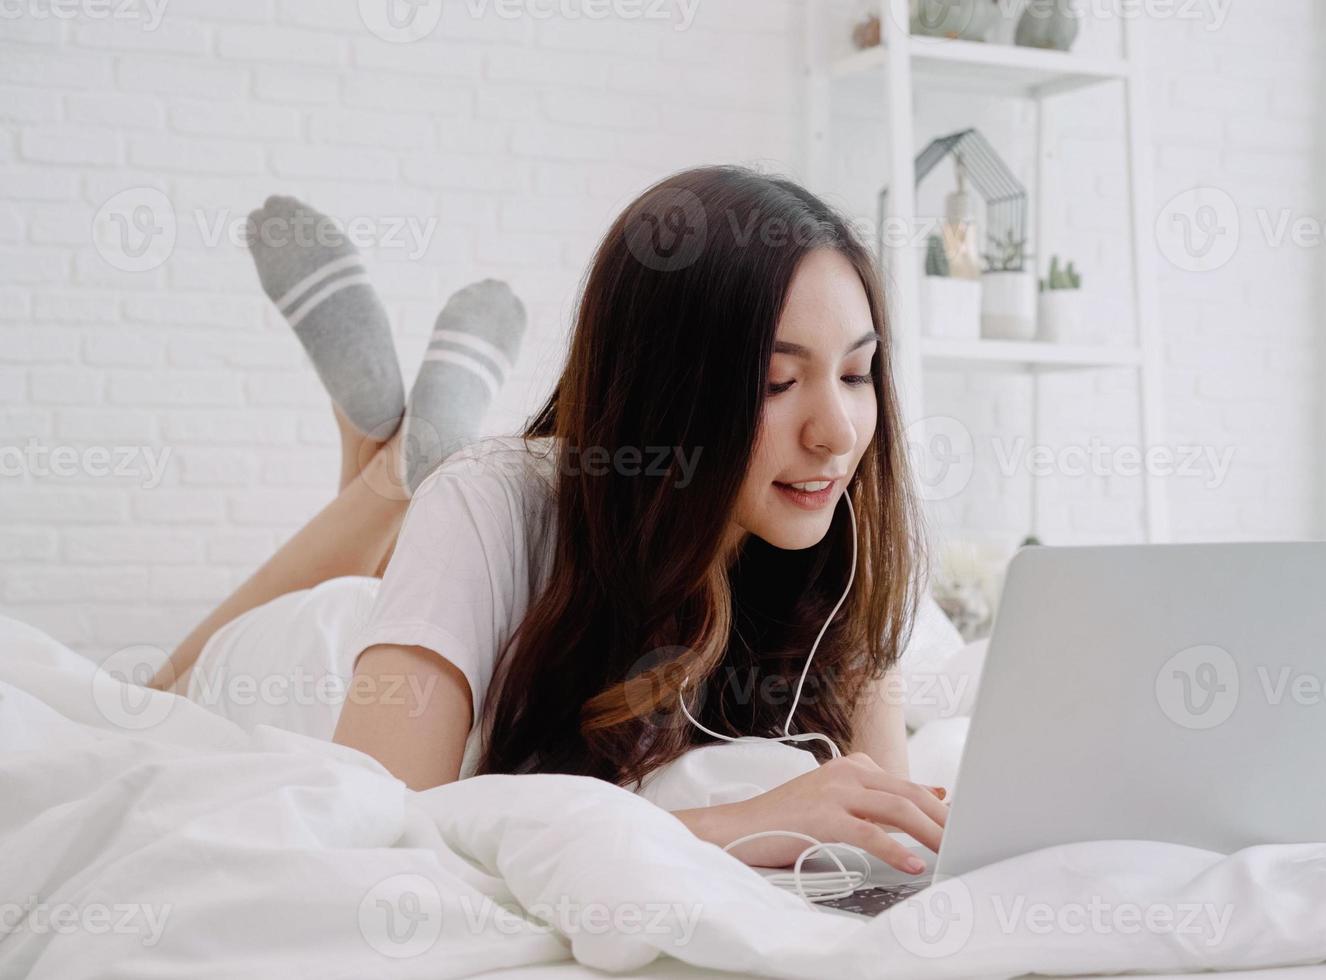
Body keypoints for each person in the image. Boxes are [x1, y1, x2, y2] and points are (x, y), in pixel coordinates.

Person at [146, 166, 948, 875]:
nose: (838, 432)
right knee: (148, 700)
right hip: (322, 669)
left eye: (856, 371)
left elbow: (889, 826)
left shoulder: (836, 555)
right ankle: (394, 471)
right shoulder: (492, 503)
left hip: (434, 618)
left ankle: (385, 457)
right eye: (777, 383)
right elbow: (376, 826)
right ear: (664, 396)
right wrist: (728, 829)